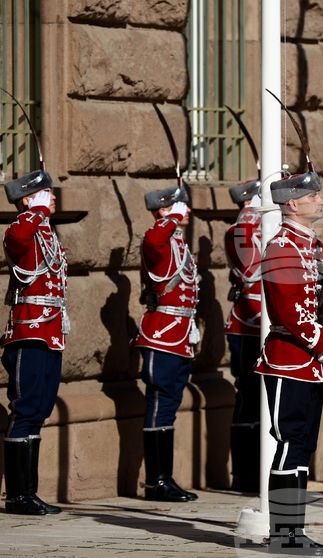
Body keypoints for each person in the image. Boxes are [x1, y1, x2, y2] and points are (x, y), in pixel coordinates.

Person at [256, 169, 323, 556]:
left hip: (309, 361)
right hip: (289, 359)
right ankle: (284, 537)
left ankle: (294, 533)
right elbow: (290, 311)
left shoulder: (310, 246)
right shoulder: (281, 247)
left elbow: (310, 300)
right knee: (290, 444)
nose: (320, 200)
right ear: (293, 203)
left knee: (302, 447)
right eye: (313, 197)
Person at [0, 171, 67, 515]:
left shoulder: (46, 233)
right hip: (28, 332)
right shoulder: (22, 229)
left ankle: (30, 492)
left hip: (50, 332)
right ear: (28, 199)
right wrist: (35, 211)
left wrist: (39, 214)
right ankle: (16, 495)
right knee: (25, 410)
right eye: (45, 193)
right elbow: (18, 238)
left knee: (39, 411)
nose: (52, 198)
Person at [132, 185, 200, 502]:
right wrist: (171, 218)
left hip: (180, 333)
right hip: (162, 333)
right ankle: (155, 481)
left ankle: (165, 478)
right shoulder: (160, 237)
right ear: (163, 211)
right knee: (159, 405)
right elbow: (153, 240)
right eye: (177, 205)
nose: (185, 209)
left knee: (169, 407)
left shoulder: (178, 241)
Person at [223, 179, 263, 492]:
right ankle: (245, 474)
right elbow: (245, 244)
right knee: (249, 397)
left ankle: (259, 469)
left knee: (262, 399)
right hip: (248, 324)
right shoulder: (244, 229)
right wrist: (252, 214)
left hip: (265, 322)